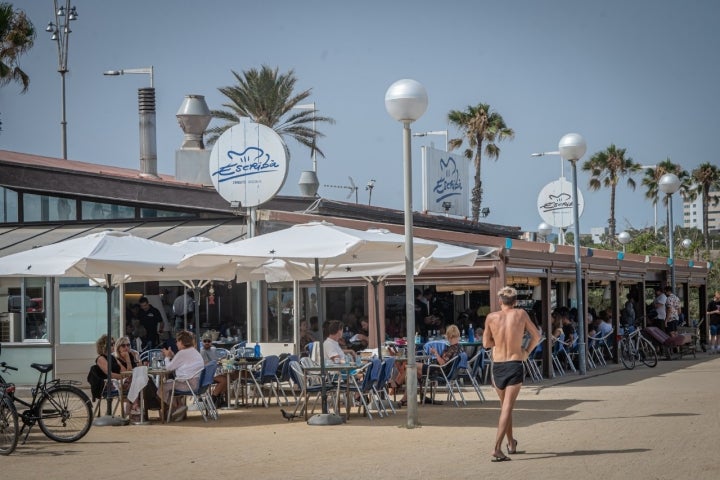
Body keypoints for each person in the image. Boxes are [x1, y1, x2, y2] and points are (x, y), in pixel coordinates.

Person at [482, 286, 541, 462]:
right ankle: (496, 448)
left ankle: (511, 443)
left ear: (500, 301)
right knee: (507, 407)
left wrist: (498, 340)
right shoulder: (521, 314)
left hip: (498, 365)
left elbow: (485, 344)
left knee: (504, 408)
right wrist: (527, 351)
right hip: (515, 362)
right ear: (515, 302)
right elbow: (536, 336)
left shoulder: (491, 317)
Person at [393, 324, 464, 406]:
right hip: (441, 370)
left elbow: (442, 363)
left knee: (411, 365)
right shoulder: (459, 347)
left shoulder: (452, 348)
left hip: (438, 370)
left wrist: (436, 353)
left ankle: (397, 384)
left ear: (449, 336)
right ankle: (405, 398)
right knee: (412, 372)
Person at [158, 330, 204, 421]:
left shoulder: (182, 353)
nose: (176, 343)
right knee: (169, 384)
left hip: (188, 384)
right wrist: (173, 356)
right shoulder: (194, 352)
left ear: (182, 342)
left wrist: (167, 357)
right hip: (198, 384)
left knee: (161, 389)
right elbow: (181, 363)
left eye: (177, 341)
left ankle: (177, 407)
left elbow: (169, 368)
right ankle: (178, 409)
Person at [199, 332, 234, 407]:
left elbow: (215, 360)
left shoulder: (213, 349)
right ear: (202, 342)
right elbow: (206, 364)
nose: (207, 343)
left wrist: (220, 360)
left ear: (211, 342)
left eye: (209, 341)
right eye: (205, 341)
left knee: (229, 378)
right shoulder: (202, 351)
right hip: (205, 374)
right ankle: (213, 399)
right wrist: (217, 362)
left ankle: (219, 398)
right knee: (224, 380)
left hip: (215, 372)